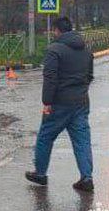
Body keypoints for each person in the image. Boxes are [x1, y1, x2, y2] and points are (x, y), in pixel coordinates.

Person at [25, 16, 95, 192]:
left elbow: (50, 78)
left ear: (57, 30)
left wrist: (47, 102)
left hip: (59, 104)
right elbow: (89, 76)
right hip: (81, 102)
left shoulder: (54, 50)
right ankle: (86, 178)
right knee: (82, 140)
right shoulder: (86, 50)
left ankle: (40, 173)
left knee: (45, 137)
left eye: (53, 30)